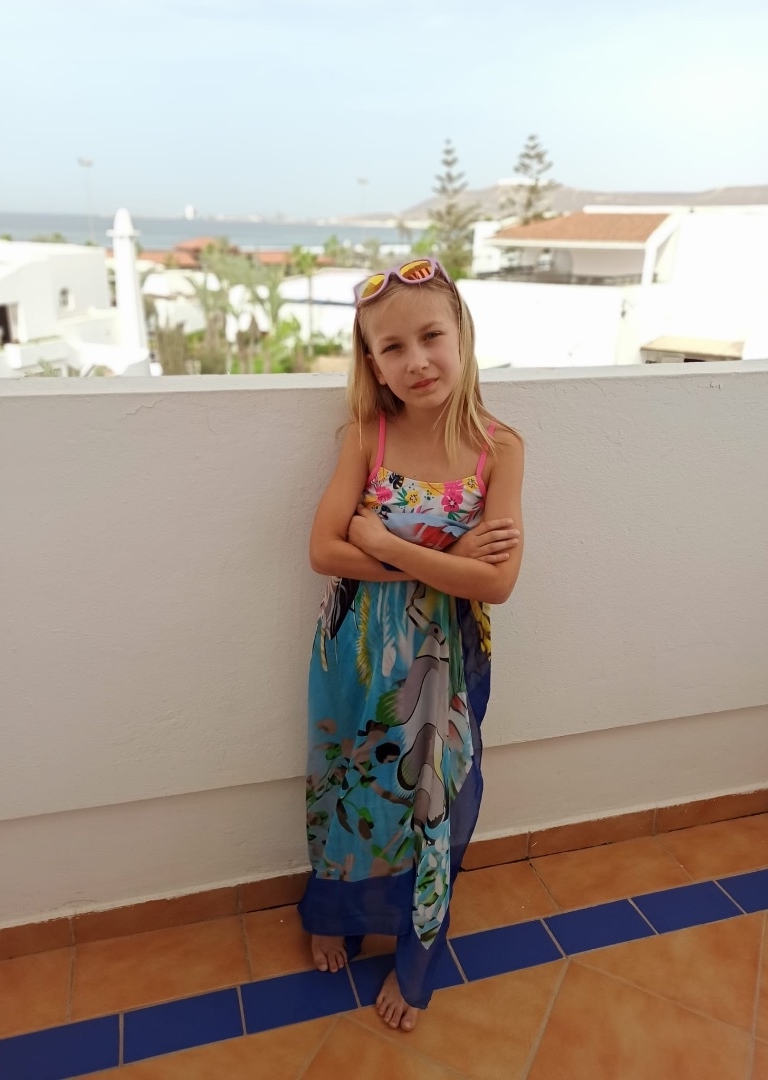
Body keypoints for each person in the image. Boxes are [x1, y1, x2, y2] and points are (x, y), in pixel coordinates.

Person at [298, 258, 524, 1032]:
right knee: (347, 781)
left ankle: (415, 951)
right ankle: (334, 911)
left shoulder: (499, 447)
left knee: (432, 798)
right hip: (355, 651)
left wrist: (385, 542)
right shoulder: (367, 436)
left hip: (446, 664)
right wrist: (449, 559)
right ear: (372, 363)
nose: (417, 360)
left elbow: (497, 584)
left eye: (431, 336)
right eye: (392, 347)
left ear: (462, 335)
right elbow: (324, 551)